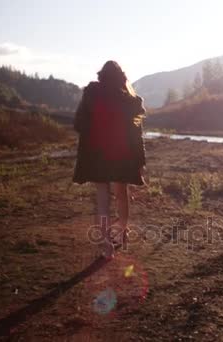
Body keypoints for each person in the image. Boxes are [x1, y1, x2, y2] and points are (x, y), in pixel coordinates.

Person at [73, 61, 146, 258]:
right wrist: (140, 161)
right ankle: (122, 231)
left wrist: (95, 134)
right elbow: (136, 134)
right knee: (122, 193)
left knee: (102, 198)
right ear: (121, 77)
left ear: (101, 76)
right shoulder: (131, 100)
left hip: (97, 155)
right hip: (122, 155)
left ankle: (106, 246)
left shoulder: (91, 94)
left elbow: (79, 123)